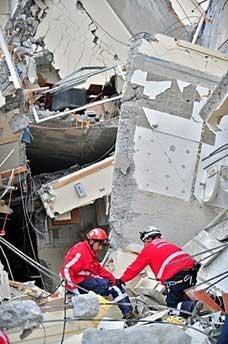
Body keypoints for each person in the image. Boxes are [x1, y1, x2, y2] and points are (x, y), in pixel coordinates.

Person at [116, 226, 200, 316]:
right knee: (186, 295)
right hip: (193, 272)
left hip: (178, 277)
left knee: (172, 305)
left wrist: (121, 280)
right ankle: (205, 304)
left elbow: (135, 268)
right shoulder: (169, 244)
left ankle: (193, 306)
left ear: (148, 239)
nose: (144, 244)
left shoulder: (148, 249)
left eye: (144, 241)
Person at [60, 227, 135, 320]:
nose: (100, 248)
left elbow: (98, 269)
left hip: (83, 281)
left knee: (115, 284)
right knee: (114, 287)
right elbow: (66, 270)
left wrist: (113, 279)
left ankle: (129, 313)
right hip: (78, 283)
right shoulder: (80, 252)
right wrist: (75, 290)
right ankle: (129, 315)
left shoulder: (89, 251)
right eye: (99, 245)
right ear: (92, 241)